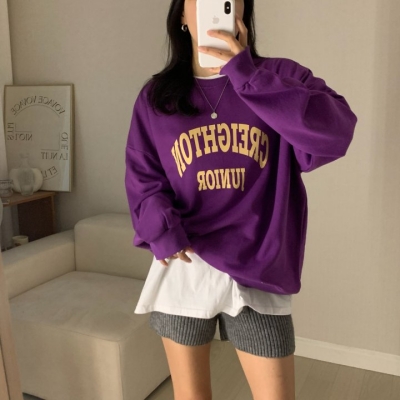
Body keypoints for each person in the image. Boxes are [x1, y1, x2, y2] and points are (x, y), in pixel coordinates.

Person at [125, 0, 358, 399]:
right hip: (185, 264)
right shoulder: (157, 96)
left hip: (259, 263)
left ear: (241, 10)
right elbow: (143, 176)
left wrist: (247, 74)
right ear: (182, 15)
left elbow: (336, 133)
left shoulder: (279, 76)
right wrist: (162, 231)